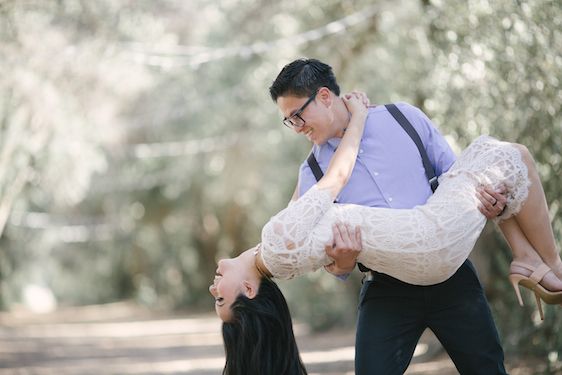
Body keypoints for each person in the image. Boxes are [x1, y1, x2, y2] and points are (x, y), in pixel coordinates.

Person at [211, 59, 562, 375]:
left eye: (297, 115)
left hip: (451, 275)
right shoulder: (312, 172)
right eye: (289, 122)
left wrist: (493, 205)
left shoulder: (404, 118)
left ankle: (532, 259)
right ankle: (538, 262)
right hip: (386, 287)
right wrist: (344, 263)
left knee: (487, 367)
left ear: (324, 96)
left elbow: (455, 179)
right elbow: (327, 262)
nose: (296, 127)